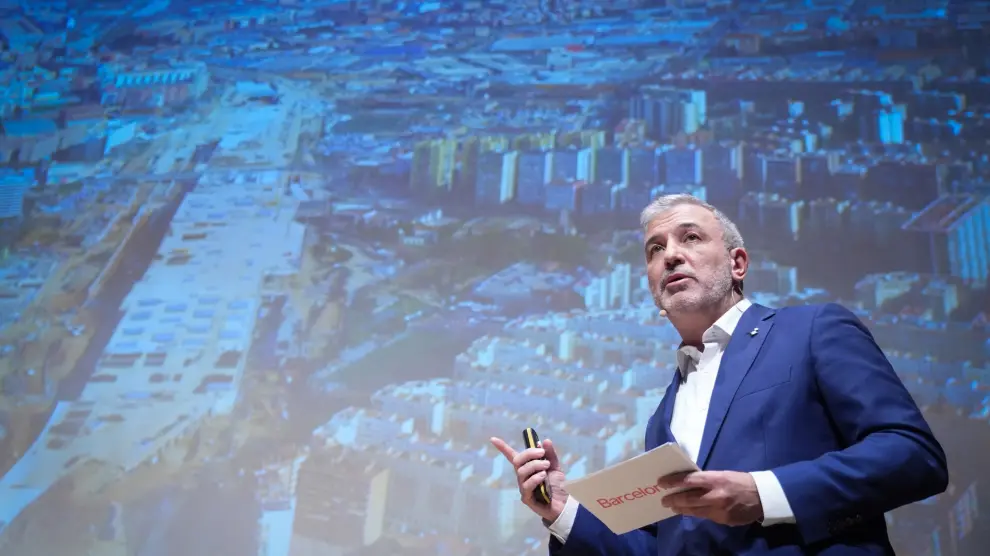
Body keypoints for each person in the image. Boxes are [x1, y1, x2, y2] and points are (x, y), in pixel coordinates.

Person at [490, 194, 948, 555]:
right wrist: (562, 511)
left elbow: (913, 455)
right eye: (655, 249)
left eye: (690, 238)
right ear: (652, 287)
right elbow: (666, 548)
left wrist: (764, 494)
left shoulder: (812, 329)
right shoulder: (662, 417)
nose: (670, 255)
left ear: (737, 264)